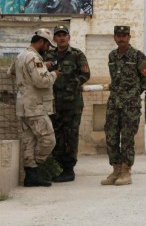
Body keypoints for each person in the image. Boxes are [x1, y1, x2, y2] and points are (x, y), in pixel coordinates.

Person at [8, 29, 60, 187]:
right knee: (48, 139)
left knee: (29, 142)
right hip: (35, 107)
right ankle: (35, 168)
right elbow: (42, 82)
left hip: (24, 106)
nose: (48, 48)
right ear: (41, 42)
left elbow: (11, 71)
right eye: (47, 45)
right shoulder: (34, 57)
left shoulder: (22, 55)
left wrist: (42, 67)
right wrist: (54, 74)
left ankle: (31, 177)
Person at [101, 26, 146, 186]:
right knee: (111, 137)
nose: (121, 38)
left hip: (130, 105)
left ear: (129, 37)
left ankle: (126, 171)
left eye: (124, 35)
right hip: (114, 103)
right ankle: (116, 170)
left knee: (127, 139)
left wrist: (133, 94)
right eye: (118, 35)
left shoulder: (137, 56)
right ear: (114, 37)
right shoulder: (112, 56)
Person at [44, 25, 91, 182]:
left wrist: (71, 85)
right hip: (54, 103)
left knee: (70, 136)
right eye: (59, 35)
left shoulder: (77, 55)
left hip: (72, 103)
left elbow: (86, 74)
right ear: (54, 39)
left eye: (64, 35)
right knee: (56, 135)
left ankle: (69, 170)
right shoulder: (48, 55)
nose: (62, 38)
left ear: (69, 37)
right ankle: (57, 167)